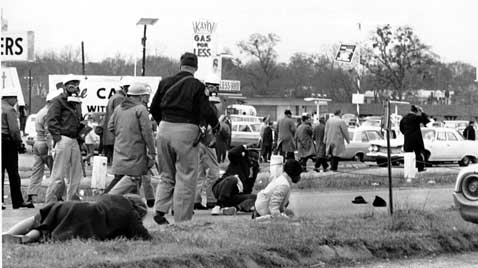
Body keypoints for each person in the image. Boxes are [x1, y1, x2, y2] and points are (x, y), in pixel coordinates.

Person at [150, 52, 219, 224]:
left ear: (180, 65)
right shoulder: (197, 86)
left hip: (164, 128)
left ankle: (160, 210)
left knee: (166, 174)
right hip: (186, 130)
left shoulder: (164, 82)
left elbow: (153, 107)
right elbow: (206, 110)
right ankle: (182, 220)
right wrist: (215, 125)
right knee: (186, 175)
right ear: (195, 68)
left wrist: (162, 123)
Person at [2, 194, 151, 244]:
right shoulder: (130, 215)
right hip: (85, 218)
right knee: (45, 233)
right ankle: (25, 239)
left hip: (72, 206)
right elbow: (144, 236)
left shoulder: (114, 197)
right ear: (139, 211)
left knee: (41, 219)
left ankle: (9, 233)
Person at [106, 83, 156, 199]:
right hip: (135, 151)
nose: (147, 99)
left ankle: (133, 206)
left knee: (121, 179)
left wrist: (122, 136)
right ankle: (105, 201)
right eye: (147, 96)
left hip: (119, 149)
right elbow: (147, 132)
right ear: (141, 96)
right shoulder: (141, 109)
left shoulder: (119, 108)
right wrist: (152, 151)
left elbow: (110, 126)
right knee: (132, 179)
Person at [45, 75, 85, 203]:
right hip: (63, 138)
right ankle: (50, 201)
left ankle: (73, 199)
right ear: (65, 87)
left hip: (74, 139)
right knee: (58, 174)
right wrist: (58, 138)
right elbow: (51, 120)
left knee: (76, 173)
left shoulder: (77, 102)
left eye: (76, 84)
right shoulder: (58, 101)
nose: (74, 87)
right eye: (71, 85)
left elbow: (78, 120)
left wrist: (82, 128)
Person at [26, 90, 60, 204]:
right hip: (45, 143)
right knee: (55, 171)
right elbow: (48, 131)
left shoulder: (41, 111)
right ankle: (58, 195)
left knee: (37, 171)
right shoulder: (49, 113)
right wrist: (51, 148)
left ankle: (31, 195)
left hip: (37, 143)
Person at [2, 88, 32, 210]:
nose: (16, 101)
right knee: (13, 173)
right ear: (10, 98)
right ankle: (17, 201)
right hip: (6, 142)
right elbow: (14, 130)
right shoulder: (9, 110)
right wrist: (19, 144)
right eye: (15, 98)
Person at [211, 145, 260, 215]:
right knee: (233, 179)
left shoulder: (254, 170)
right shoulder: (238, 160)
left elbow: (248, 189)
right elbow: (231, 153)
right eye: (251, 157)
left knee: (256, 197)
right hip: (221, 188)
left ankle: (235, 208)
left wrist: (246, 201)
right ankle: (218, 205)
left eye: (255, 159)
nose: (252, 160)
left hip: (234, 195)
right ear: (246, 156)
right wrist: (243, 147)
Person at [102, 77, 131, 165]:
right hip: (115, 135)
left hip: (111, 135)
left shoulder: (115, 97)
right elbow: (121, 117)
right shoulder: (120, 98)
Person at [399, 105, 430, 172]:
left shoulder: (404, 118)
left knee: (408, 154)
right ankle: (420, 168)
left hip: (407, 139)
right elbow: (426, 120)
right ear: (416, 111)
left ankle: (408, 168)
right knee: (418, 154)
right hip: (416, 139)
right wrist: (422, 111)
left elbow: (401, 128)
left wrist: (406, 133)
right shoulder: (416, 118)